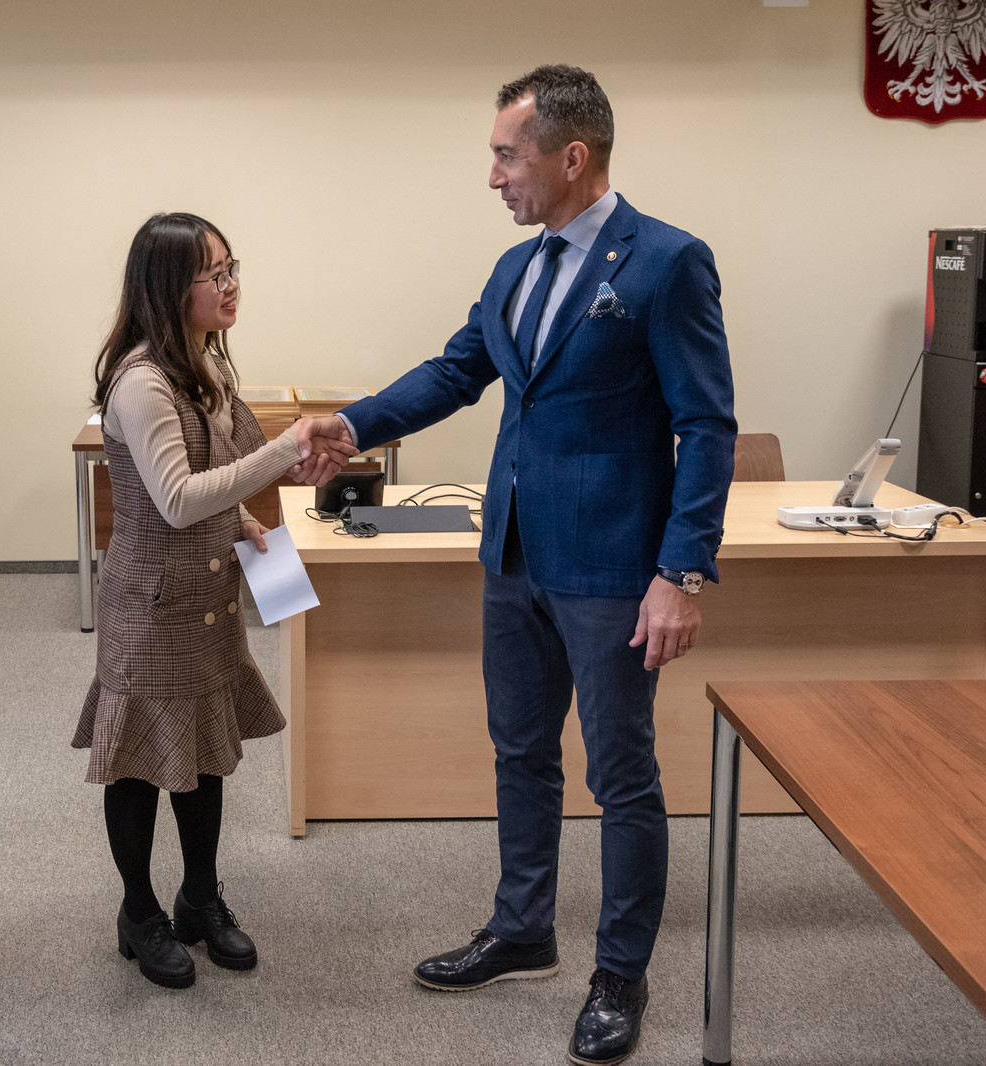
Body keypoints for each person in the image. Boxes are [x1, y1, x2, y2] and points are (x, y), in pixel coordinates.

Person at [293, 66, 735, 1065]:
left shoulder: (667, 262)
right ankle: (524, 927)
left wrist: (680, 572)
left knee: (621, 775)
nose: (492, 176)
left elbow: (706, 425)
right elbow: (457, 371)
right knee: (520, 751)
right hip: (513, 557)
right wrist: (353, 424)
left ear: (571, 156)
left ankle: (619, 973)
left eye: (506, 155)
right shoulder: (515, 268)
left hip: (613, 566)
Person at [73, 212, 355, 990]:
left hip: (210, 594)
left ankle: (200, 897)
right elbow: (175, 498)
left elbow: (231, 466)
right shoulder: (141, 381)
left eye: (234, 269)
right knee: (137, 763)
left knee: (205, 751)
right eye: (216, 274)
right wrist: (287, 447)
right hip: (151, 605)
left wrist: (261, 504)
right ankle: (138, 912)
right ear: (170, 287)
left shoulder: (208, 362)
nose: (232, 287)